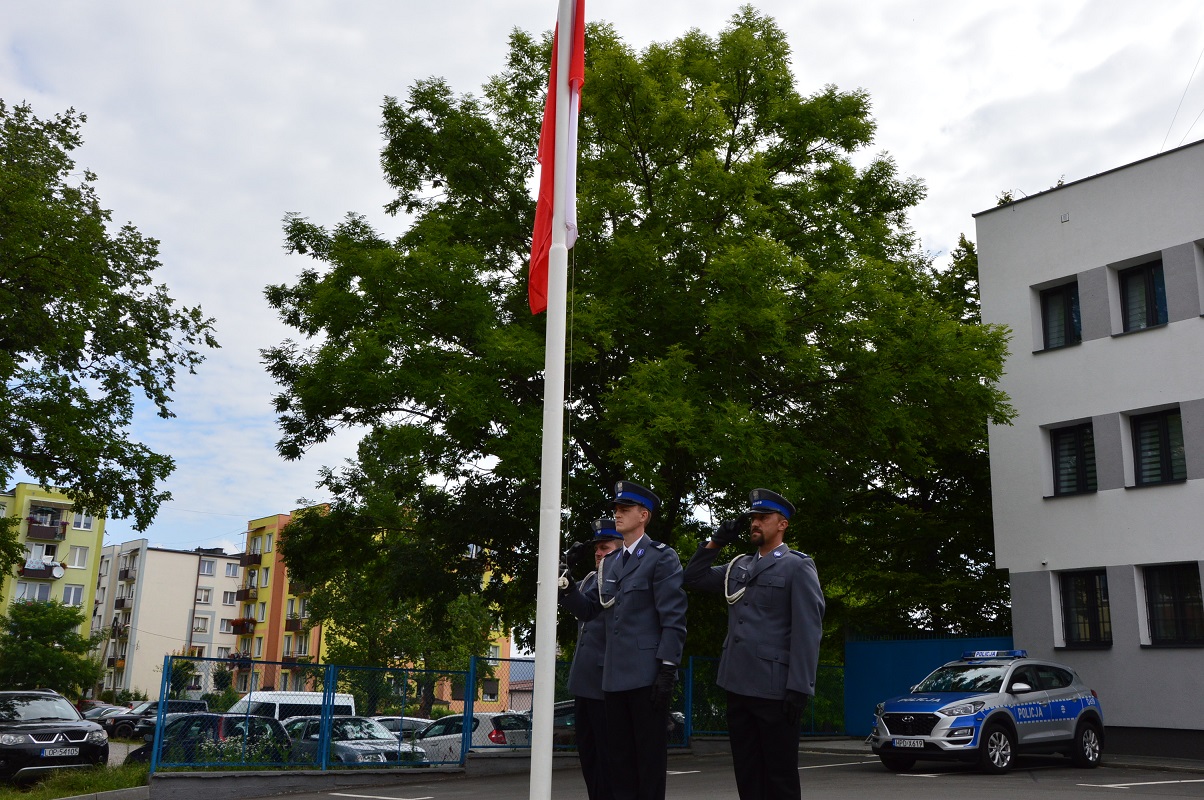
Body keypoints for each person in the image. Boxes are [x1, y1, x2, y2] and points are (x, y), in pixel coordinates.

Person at [683, 489, 825, 800]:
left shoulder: (797, 566)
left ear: (782, 524)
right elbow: (691, 578)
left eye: (763, 518)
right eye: (752, 519)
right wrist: (716, 541)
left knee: (779, 777)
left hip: (775, 690)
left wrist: (800, 687)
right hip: (737, 684)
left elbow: (808, 630)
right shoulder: (739, 566)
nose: (755, 523)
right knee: (747, 774)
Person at [561, 481, 687, 800]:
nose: (617, 514)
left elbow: (673, 619)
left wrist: (668, 668)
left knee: (648, 766)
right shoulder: (611, 564)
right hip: (613, 681)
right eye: (616, 509)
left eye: (625, 510)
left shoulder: (661, 557)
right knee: (619, 769)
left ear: (643, 515)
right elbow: (590, 610)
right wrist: (565, 582)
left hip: (646, 677)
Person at [559, 518, 624, 800]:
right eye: (597, 549)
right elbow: (578, 606)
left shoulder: (622, 579)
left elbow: (587, 610)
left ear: (620, 550)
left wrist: (567, 585)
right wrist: (563, 569)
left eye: (605, 548)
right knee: (588, 755)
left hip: (606, 682)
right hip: (584, 680)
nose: (599, 553)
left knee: (609, 759)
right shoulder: (589, 578)